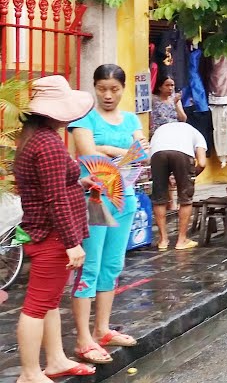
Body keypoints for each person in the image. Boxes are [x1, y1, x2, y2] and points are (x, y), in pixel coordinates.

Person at [14, 75, 98, 382]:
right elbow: (54, 199)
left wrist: (78, 181)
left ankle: (55, 360)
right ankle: (29, 373)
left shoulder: (32, 139)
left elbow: (49, 187)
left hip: (40, 231)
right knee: (37, 305)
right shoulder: (48, 144)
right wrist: (71, 242)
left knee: (48, 300)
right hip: (51, 235)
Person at [68, 64, 147, 364]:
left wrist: (108, 149)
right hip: (94, 200)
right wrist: (119, 151)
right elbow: (89, 157)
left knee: (112, 265)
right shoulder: (83, 118)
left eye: (114, 89)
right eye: (102, 88)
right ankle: (82, 338)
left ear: (123, 89)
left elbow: (142, 151)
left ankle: (102, 329)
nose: (108, 95)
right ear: (94, 87)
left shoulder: (130, 118)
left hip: (123, 199)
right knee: (89, 267)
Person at [149, 121, 208, 251]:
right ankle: (182, 240)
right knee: (185, 198)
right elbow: (202, 163)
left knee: (159, 198)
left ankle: (163, 240)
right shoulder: (197, 134)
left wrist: (170, 177)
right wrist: (189, 177)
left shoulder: (160, 129)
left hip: (157, 153)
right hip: (182, 153)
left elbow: (153, 157)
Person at [149, 70, 186, 136]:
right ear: (160, 87)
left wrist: (176, 104)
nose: (170, 88)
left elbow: (183, 119)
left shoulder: (175, 99)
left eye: (172, 85)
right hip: (158, 133)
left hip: (174, 132)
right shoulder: (153, 99)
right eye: (167, 85)